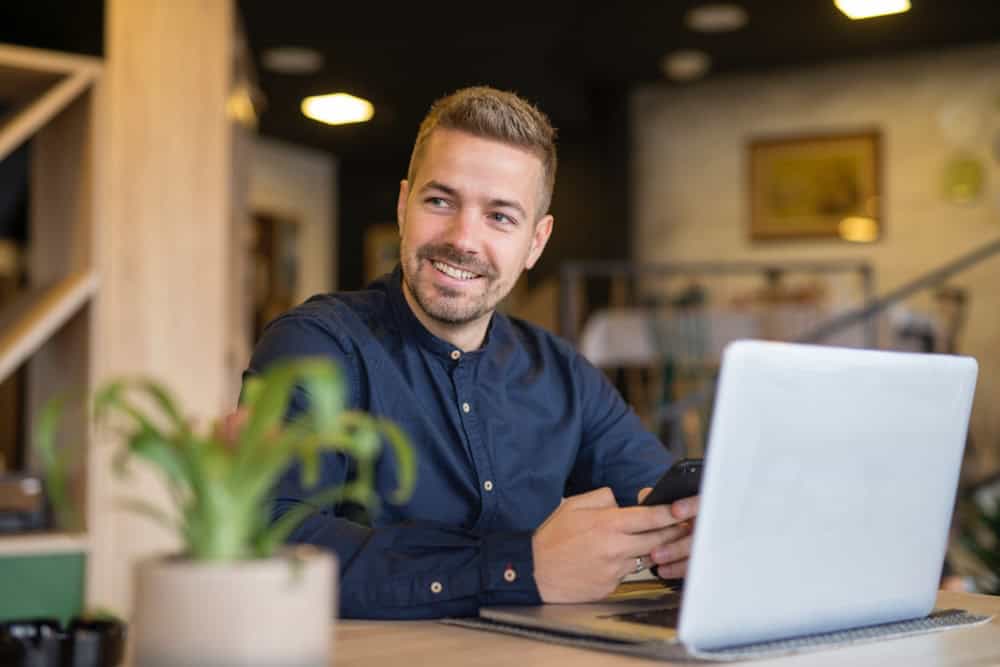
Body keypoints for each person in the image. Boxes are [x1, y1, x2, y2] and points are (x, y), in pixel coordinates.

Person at [243, 86, 698, 619]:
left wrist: (686, 539)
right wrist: (517, 566)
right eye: (440, 201)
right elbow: (275, 540)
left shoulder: (563, 373)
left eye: (500, 217)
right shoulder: (315, 346)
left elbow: (660, 496)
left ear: (536, 242)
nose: (463, 239)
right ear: (403, 204)